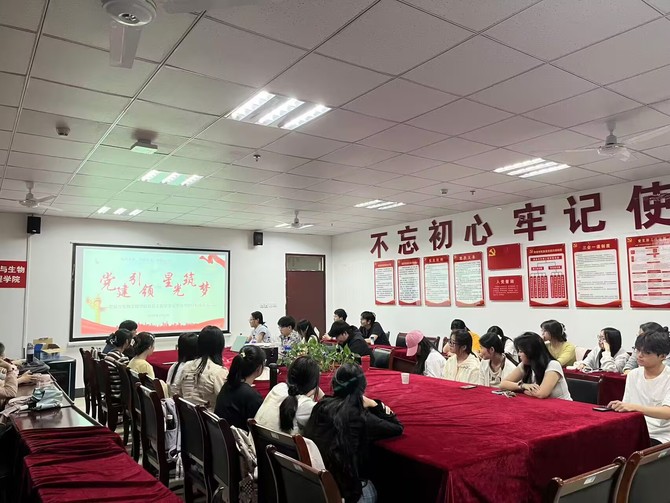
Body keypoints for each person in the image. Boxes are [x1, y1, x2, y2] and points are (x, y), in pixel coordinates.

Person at [304, 363, 403, 503]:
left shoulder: (321, 406)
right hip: (344, 494)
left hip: (315, 487)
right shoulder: (359, 416)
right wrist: (374, 404)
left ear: (334, 384)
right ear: (362, 388)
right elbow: (397, 427)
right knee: (375, 486)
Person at [609, 331, 670, 445]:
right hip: (634, 429)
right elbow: (627, 406)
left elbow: (667, 412)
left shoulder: (668, 377)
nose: (639, 355)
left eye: (647, 352)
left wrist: (634, 407)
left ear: (662, 356)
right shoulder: (633, 374)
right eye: (637, 350)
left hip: (661, 436)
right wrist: (620, 406)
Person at [255, 356, 322, 434]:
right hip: (278, 442)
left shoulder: (278, 388)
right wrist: (316, 389)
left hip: (256, 440)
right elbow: (330, 413)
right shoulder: (305, 405)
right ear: (313, 384)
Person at [500, 332, 572, 400]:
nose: (518, 354)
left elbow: (541, 394)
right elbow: (503, 384)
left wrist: (521, 390)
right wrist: (522, 386)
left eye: (521, 351)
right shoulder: (524, 365)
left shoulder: (553, 365)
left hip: (563, 405)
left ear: (531, 352)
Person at [176, 325, 228, 410]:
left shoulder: (186, 366)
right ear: (220, 347)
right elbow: (225, 401)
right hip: (209, 416)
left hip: (187, 414)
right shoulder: (218, 372)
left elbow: (179, 393)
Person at [214, 345, 265, 431]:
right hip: (238, 438)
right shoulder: (251, 396)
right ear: (259, 368)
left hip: (222, 435)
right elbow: (261, 426)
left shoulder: (227, 385)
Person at [103, 329, 132, 400]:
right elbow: (128, 380)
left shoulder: (109, 354)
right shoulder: (122, 358)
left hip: (109, 392)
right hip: (117, 394)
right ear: (127, 342)